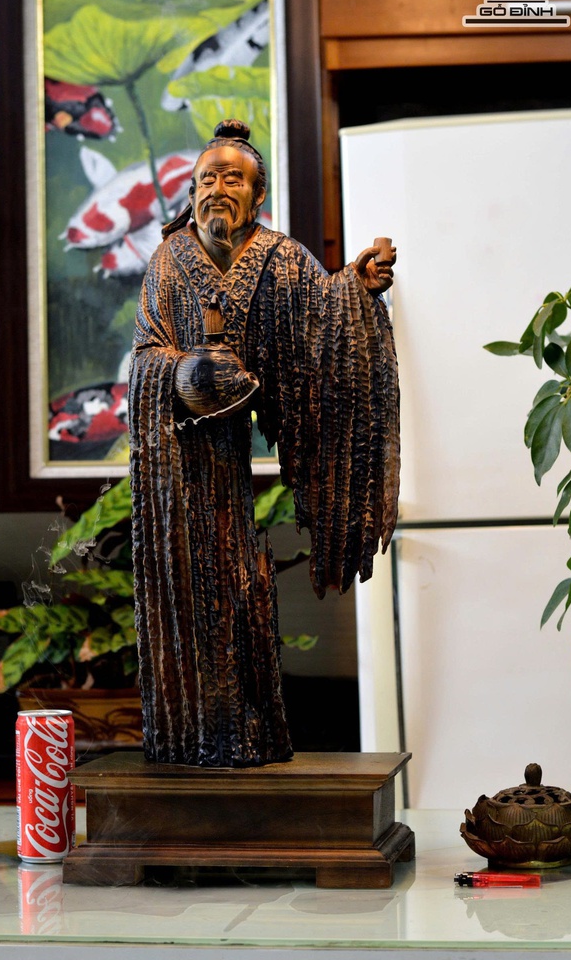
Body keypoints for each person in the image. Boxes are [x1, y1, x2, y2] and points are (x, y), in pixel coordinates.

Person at [128, 119, 399, 768]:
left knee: (244, 589)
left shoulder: (280, 258)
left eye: (233, 178)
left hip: (237, 478)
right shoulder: (169, 261)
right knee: (189, 595)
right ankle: (189, 739)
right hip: (183, 465)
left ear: (258, 194)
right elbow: (144, 359)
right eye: (207, 179)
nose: (218, 189)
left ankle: (250, 731)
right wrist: (185, 375)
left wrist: (356, 287)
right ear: (191, 192)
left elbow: (324, 316)